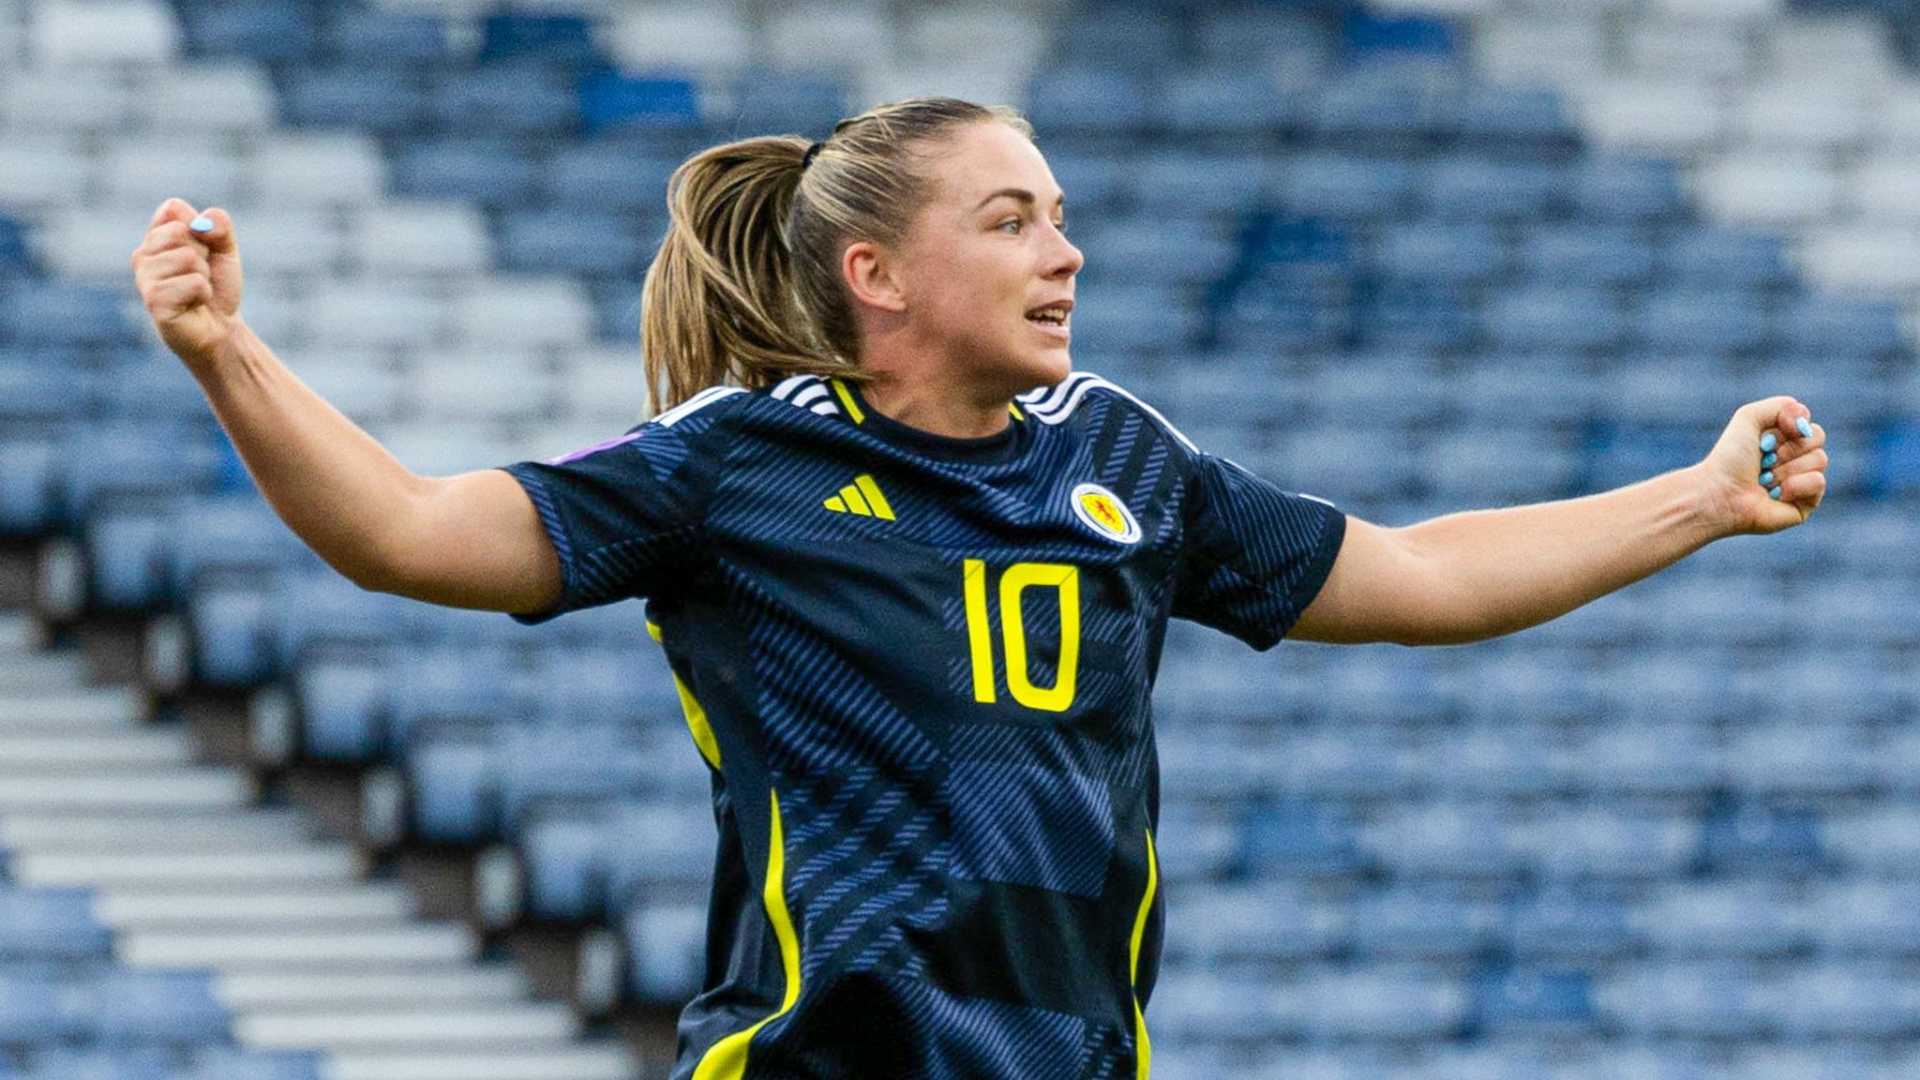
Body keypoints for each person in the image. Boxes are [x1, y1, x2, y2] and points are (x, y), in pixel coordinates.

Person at [131, 97, 1828, 1078]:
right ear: (878, 274)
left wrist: (1695, 497)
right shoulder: (739, 465)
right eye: (1013, 220)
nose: (1066, 252)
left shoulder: (1123, 461)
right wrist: (227, 353)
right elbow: (415, 535)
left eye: (1061, 217)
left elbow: (1424, 575)